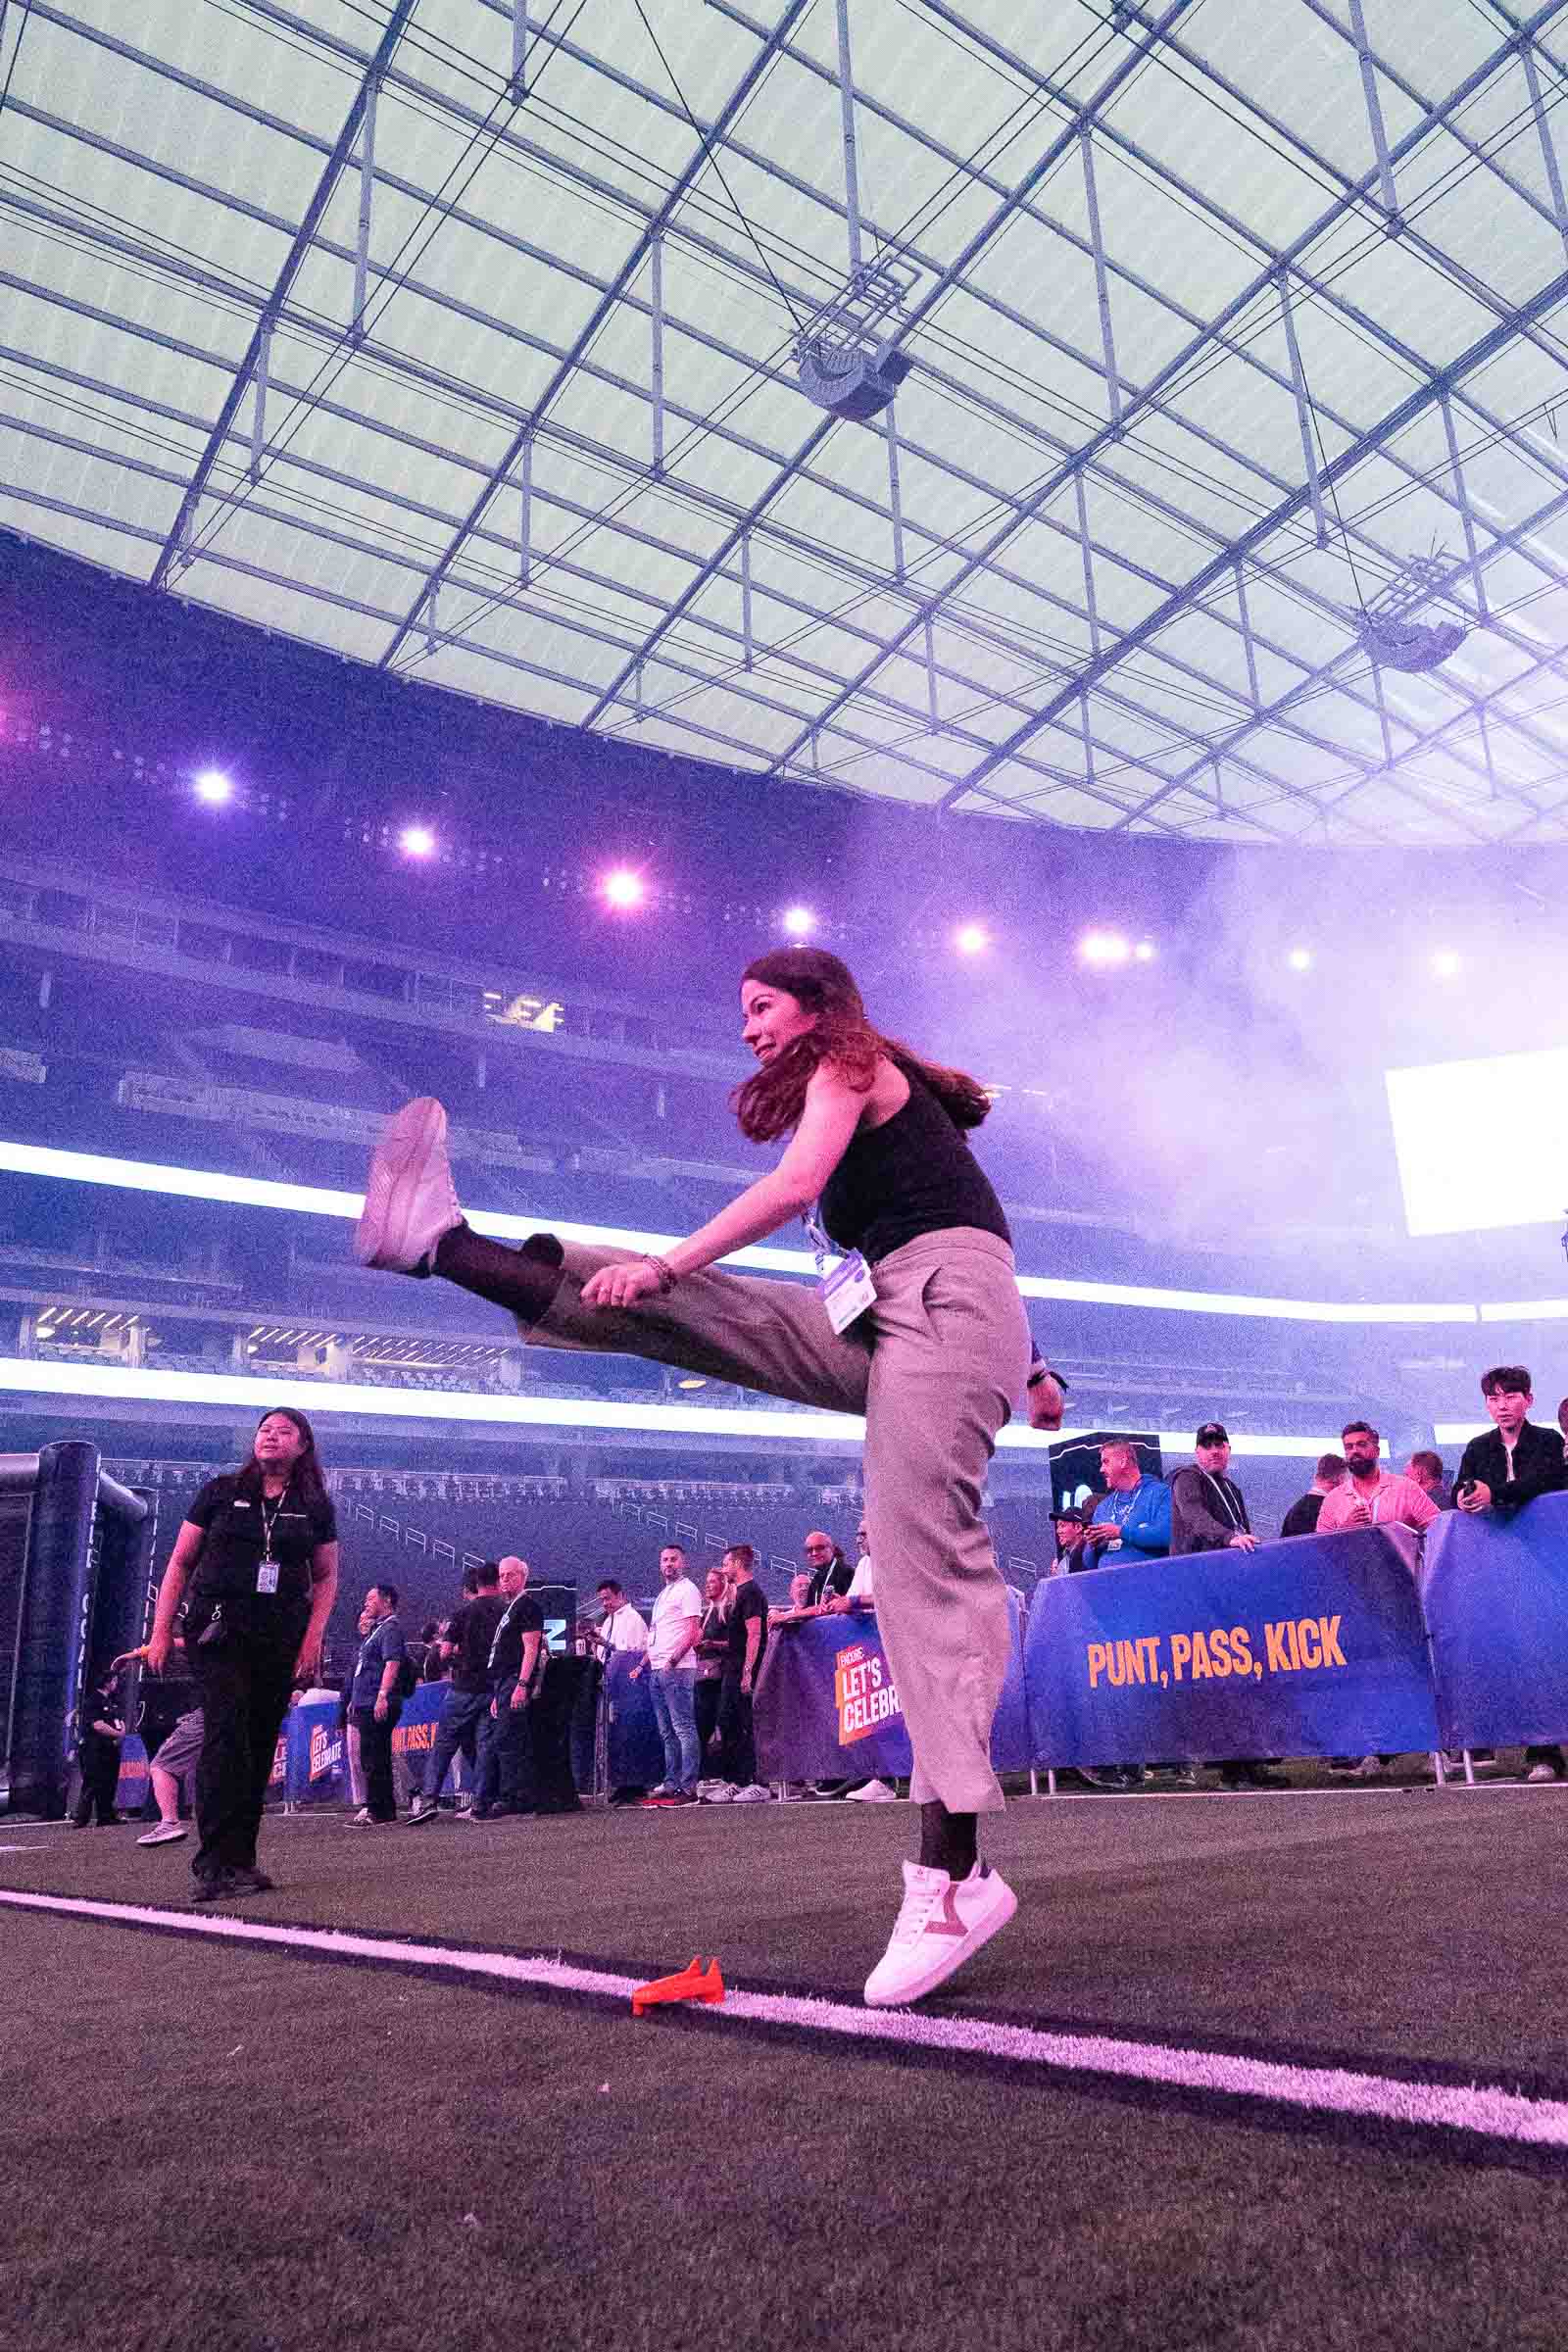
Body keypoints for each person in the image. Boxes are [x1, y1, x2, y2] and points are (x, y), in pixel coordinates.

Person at [355, 946, 1035, 2007]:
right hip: (905, 1314)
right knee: (705, 1315)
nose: (748, 1027)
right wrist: (1030, 1368)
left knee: (915, 1558)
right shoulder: (861, 1084)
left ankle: (955, 1879)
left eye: (761, 1006)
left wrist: (670, 1256)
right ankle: (441, 1245)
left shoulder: (848, 1061)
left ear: (819, 1007)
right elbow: (926, 1226)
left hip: (944, 1313)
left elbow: (800, 1186)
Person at [145, 1407, 339, 1901]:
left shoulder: (313, 1504)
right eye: (264, 1430)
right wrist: (161, 1631)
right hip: (217, 1631)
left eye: (283, 1432)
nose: (270, 1437)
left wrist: (313, 1638)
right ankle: (213, 1865)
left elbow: (326, 1576)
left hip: (278, 1635)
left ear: (302, 1446)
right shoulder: (219, 1491)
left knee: (255, 1746)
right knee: (226, 1735)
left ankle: (242, 1860)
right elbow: (180, 1562)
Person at [1453, 1367, 1568, 1785]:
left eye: (1511, 1396)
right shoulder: (1478, 1446)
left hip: (1548, 1562)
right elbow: (1459, 1488)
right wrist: (1468, 1496)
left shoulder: (1548, 1442)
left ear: (1529, 1400)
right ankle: (1541, 1750)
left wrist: (1495, 1493)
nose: (1503, 1405)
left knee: (1554, 1654)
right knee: (1521, 1658)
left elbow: (1549, 1481)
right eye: (1495, 1398)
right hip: (1497, 1568)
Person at [409, 1563, 506, 1824]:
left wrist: (456, 1654)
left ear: (475, 1584)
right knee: (484, 1747)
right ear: (497, 1581)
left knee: (444, 1744)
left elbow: (444, 1652)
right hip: (492, 1688)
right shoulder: (506, 1612)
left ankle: (429, 1800)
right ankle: (482, 1804)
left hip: (463, 1688)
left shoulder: (462, 1614)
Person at [632, 1544, 705, 1805]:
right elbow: (656, 1635)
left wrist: (673, 1660)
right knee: (667, 1732)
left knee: (683, 1728)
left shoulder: (688, 1590)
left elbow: (692, 1631)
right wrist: (643, 1664)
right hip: (658, 1668)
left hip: (677, 1667)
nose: (669, 1564)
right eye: (664, 1560)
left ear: (682, 1563)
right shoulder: (664, 1594)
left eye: (673, 1559)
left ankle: (688, 1787)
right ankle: (672, 1782)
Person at [472, 1556, 544, 1822]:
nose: (503, 1579)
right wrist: (498, 1692)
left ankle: (517, 1799)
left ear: (522, 1577)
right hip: (503, 1682)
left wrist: (522, 1684)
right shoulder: (510, 1608)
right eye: (501, 1575)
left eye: (509, 1575)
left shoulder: (528, 1606)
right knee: (505, 1738)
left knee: (509, 1739)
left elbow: (531, 1649)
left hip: (515, 1680)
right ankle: (511, 1796)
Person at [712, 1544, 771, 1804]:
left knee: (748, 1724)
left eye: (726, 1563)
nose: (723, 1568)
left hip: (744, 1668)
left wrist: (748, 1671)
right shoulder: (737, 1594)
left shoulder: (752, 1593)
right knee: (728, 1721)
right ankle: (738, 1779)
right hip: (731, 1667)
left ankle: (760, 1782)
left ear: (737, 1564)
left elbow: (755, 1634)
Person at [348, 1583, 407, 1828]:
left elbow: (392, 1662)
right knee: (373, 1755)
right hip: (365, 1702)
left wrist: (382, 1695)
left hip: (377, 1701)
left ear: (387, 1601)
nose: (366, 1602)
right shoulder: (377, 1629)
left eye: (371, 1598)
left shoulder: (390, 1628)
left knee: (374, 1756)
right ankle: (384, 1809)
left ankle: (377, 1809)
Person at [1316, 1423, 1441, 1537]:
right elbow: (1322, 1548)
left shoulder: (1406, 1488)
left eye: (1361, 1444)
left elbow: (1439, 1529)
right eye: (1349, 1447)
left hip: (1397, 1562)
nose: (1355, 1450)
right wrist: (1345, 1530)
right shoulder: (1333, 1499)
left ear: (1377, 1451)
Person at [1169, 1424, 1257, 1559]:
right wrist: (1228, 1537)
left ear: (1229, 1450)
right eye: (1207, 1446)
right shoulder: (1187, 1477)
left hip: (1229, 1563)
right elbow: (1194, 1514)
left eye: (1219, 1445)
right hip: (1195, 1568)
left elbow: (1242, 1528)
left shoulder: (1232, 1488)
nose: (1214, 1451)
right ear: (1197, 1452)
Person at [1080, 1443, 1171, 1564]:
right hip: (1106, 1581)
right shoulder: (1103, 1507)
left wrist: (1121, 1532)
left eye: (1106, 1462)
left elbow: (1166, 1535)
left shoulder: (1160, 1493)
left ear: (1123, 1462)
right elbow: (1089, 1564)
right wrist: (1092, 1546)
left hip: (1148, 1579)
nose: (1101, 1469)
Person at [72, 1667, 125, 1828]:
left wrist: (120, 1732)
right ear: (107, 1683)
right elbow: (98, 1725)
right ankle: (82, 1817)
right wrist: (117, 1734)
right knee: (92, 1781)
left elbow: (117, 1721)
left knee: (109, 1782)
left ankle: (106, 1815)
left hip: (109, 1748)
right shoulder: (94, 1701)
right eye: (114, 1681)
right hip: (94, 1748)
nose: (116, 1684)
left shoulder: (111, 1702)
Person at [693, 1567, 731, 1791]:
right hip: (704, 1676)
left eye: (712, 1582)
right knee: (702, 1725)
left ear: (723, 1584)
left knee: (723, 1724)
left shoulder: (726, 1610)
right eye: (706, 1582)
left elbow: (735, 1642)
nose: (707, 1585)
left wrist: (712, 1645)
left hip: (721, 1675)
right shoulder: (707, 1612)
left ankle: (726, 1772)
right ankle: (704, 1773)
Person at [1281, 1454, 1347, 1539]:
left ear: (1317, 1476)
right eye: (1346, 1478)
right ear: (1340, 1479)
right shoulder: (1328, 1510)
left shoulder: (1296, 1509)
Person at [803, 1530, 853, 1608]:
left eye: (819, 1548)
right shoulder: (816, 1579)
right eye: (810, 1550)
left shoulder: (846, 1573)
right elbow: (810, 1608)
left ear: (832, 1549)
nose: (814, 1553)